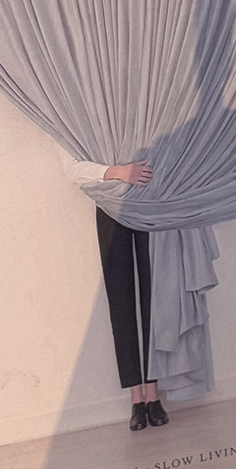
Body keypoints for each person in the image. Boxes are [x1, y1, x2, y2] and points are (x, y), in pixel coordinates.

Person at [58, 151, 169, 431]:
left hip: (149, 198)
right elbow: (71, 168)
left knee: (154, 297)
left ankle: (153, 394)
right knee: (120, 298)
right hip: (110, 205)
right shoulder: (77, 122)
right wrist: (117, 172)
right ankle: (136, 398)